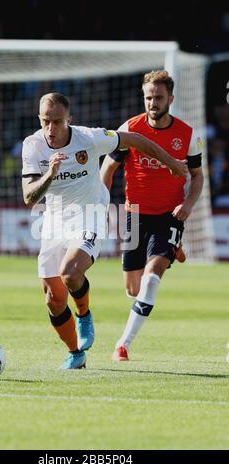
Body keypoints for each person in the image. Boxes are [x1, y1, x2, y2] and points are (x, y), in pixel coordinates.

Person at [22, 92, 188, 369]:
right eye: (45, 122)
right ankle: (76, 354)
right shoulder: (33, 146)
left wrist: (170, 162)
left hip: (90, 214)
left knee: (70, 272)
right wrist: (50, 175)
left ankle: (84, 315)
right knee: (53, 299)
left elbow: (134, 139)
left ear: (69, 120)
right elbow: (29, 197)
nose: (51, 129)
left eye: (57, 122)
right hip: (53, 219)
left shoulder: (89, 138)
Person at [100, 70, 204, 362]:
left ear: (170, 98)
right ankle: (173, 250)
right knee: (133, 289)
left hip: (169, 215)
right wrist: (101, 206)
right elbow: (107, 170)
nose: (153, 103)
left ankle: (123, 344)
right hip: (134, 213)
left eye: (158, 97)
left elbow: (197, 177)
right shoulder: (130, 129)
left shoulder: (187, 134)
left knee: (151, 278)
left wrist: (188, 204)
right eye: (148, 97)